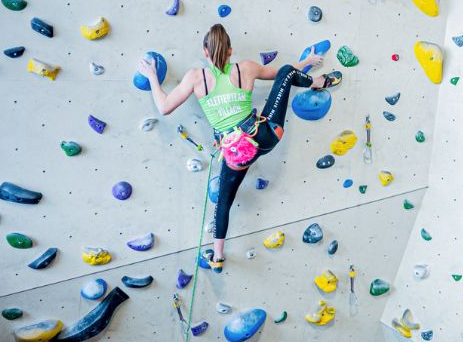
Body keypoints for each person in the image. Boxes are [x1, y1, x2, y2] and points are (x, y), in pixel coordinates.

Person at [136, 23, 341, 271]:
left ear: (205, 52)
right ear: (231, 50)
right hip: (266, 136)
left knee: (223, 201)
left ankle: (218, 256)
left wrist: (152, 78)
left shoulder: (196, 77)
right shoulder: (246, 68)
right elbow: (283, 74)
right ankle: (319, 81)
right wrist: (306, 61)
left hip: (237, 154)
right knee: (288, 71)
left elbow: (164, 107)